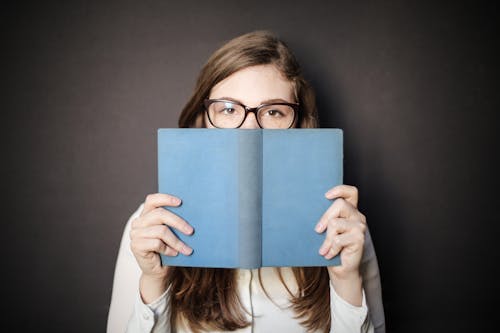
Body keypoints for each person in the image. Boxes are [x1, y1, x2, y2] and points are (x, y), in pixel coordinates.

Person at [107, 30, 385, 333]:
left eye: (274, 111)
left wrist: (346, 283)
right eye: (228, 109)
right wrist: (153, 282)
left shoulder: (344, 229)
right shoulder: (151, 229)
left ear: (300, 124)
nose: (250, 129)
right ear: (202, 119)